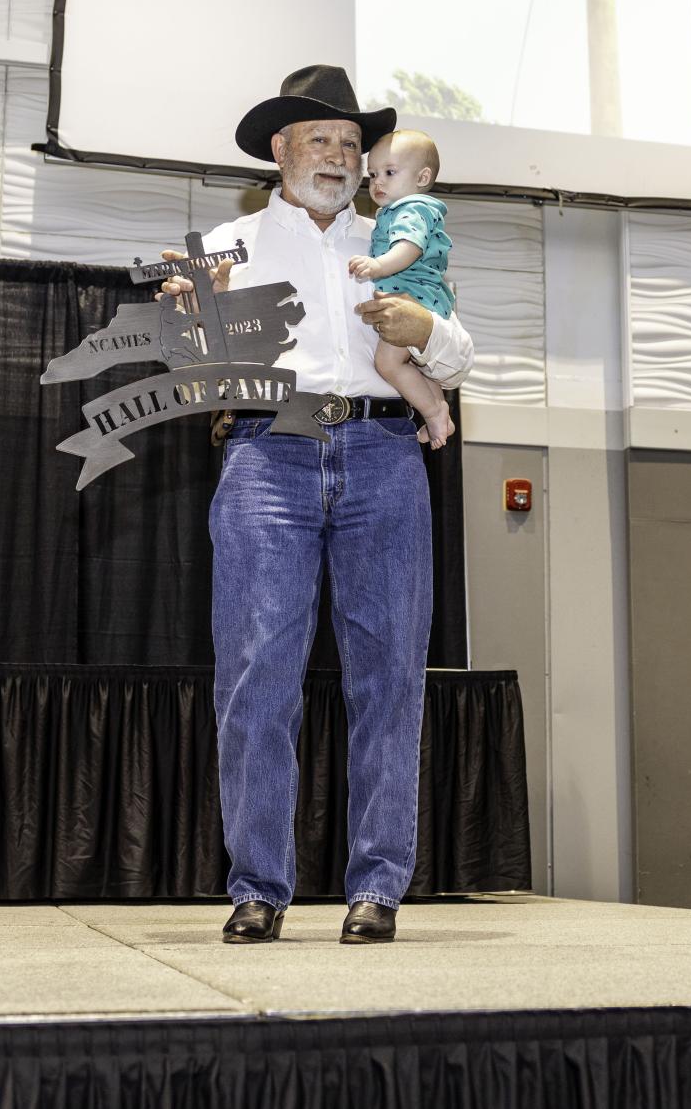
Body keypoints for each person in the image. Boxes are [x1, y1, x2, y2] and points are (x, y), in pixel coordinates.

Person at [165, 65, 473, 946]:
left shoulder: (403, 234)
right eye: (319, 140)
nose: (338, 156)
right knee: (257, 675)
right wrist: (188, 327)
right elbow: (187, 367)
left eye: (349, 142)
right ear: (280, 151)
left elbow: (455, 351)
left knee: (390, 678)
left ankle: (378, 886)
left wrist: (434, 339)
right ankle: (258, 886)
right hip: (270, 451)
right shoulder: (225, 242)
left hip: (384, 451)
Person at [348, 130, 456, 449]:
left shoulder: (413, 209)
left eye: (390, 173)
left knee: (388, 363)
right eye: (373, 174)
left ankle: (434, 411)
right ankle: (439, 410)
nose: (378, 182)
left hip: (415, 295)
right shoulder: (398, 209)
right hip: (418, 294)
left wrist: (378, 266)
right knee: (407, 363)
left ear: (423, 176)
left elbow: (410, 246)